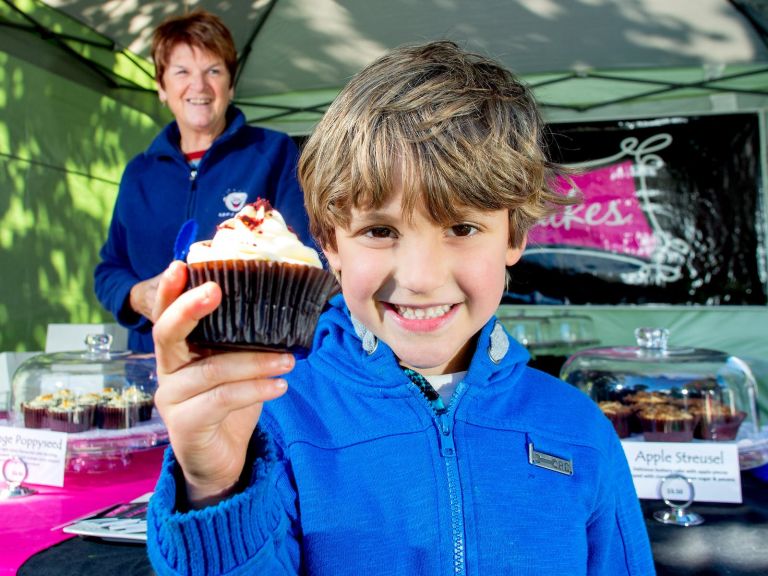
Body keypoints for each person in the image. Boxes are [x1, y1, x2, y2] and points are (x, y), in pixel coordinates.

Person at [146, 41, 656, 575]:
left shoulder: (579, 427)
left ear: (515, 235)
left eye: (462, 227)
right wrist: (213, 486)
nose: (419, 278)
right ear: (330, 244)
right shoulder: (267, 420)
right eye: (379, 230)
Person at [94, 9, 312, 353]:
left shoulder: (272, 152)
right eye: (182, 72)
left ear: (231, 84)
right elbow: (109, 269)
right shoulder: (139, 172)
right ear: (161, 87)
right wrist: (137, 295)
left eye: (213, 71)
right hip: (152, 363)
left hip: (244, 361)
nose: (199, 86)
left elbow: (308, 256)